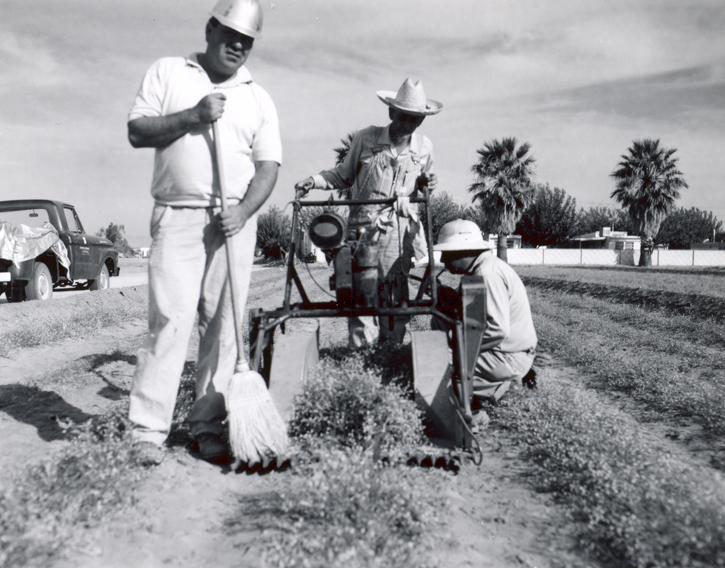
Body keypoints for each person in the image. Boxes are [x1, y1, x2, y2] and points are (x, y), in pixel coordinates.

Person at [126, 0, 282, 465]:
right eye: (231, 34)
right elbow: (137, 131)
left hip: (233, 223)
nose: (238, 46)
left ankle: (207, 428)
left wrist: (244, 211)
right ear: (211, 28)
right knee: (170, 321)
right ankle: (146, 433)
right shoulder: (169, 72)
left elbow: (268, 167)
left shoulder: (258, 96)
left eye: (247, 41)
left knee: (224, 329)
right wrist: (193, 116)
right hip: (176, 216)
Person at [294, 78, 442, 347]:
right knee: (361, 295)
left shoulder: (424, 148)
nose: (410, 123)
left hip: (399, 232)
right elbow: (342, 175)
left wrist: (425, 184)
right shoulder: (366, 138)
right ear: (391, 112)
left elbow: (422, 188)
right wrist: (313, 181)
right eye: (405, 116)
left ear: (422, 120)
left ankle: (391, 353)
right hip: (362, 230)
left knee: (395, 296)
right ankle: (362, 356)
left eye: (416, 119)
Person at [432, 219, 538, 404]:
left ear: (463, 250)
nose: (442, 260)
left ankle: (503, 386)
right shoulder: (479, 269)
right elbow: (468, 309)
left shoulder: (487, 275)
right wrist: (445, 296)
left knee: (436, 363)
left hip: (507, 356)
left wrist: (452, 341)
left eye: (446, 254)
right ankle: (492, 382)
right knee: (440, 322)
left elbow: (497, 329)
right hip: (504, 351)